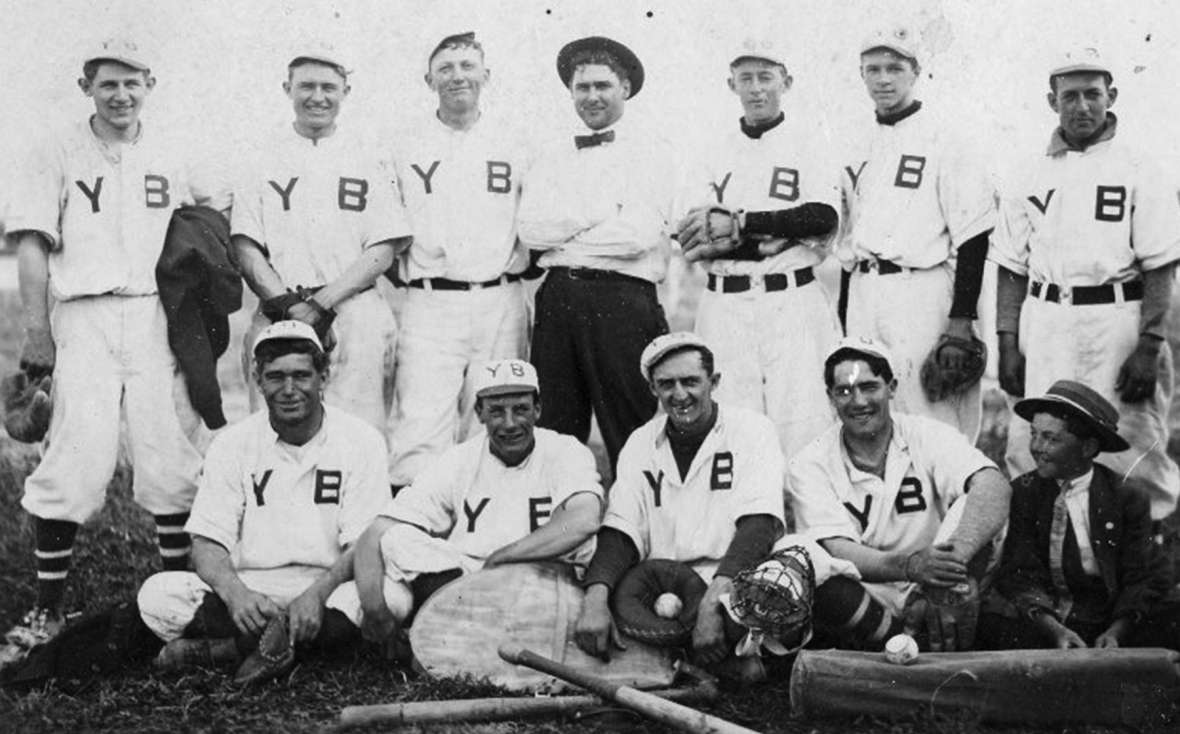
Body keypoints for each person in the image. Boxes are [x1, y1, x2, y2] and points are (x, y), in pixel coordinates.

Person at [0, 39, 229, 669]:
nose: (121, 95)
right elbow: (30, 245)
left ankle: (181, 604)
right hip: (84, 315)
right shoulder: (56, 150)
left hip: (157, 312)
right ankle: (47, 609)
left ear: (150, 84)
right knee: (75, 457)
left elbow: (218, 212)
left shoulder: (174, 149)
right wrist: (37, 331)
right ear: (87, 88)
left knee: (171, 457)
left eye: (132, 83)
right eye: (108, 85)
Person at [135, 321, 388, 685]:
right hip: (256, 589)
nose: (289, 389)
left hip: (330, 585)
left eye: (302, 375)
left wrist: (317, 595)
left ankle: (227, 651)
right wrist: (237, 595)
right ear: (257, 379)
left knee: (391, 597)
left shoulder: (362, 440)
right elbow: (206, 543)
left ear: (324, 376)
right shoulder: (232, 444)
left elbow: (363, 546)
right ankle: (288, 643)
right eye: (275, 376)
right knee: (158, 595)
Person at [992, 47, 1180, 523]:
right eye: (1069, 96)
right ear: (1051, 100)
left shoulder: (1139, 168)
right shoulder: (1030, 172)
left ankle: (1146, 559)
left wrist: (1149, 345)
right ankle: (1045, 559)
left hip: (1116, 317)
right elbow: (1011, 267)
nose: (1081, 107)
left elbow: (1160, 265)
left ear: (1111, 96)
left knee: (1131, 441)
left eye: (1092, 95)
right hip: (1049, 318)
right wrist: (1008, 343)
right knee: (1038, 439)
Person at [517, 35, 684, 473]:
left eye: (602, 86)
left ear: (625, 88)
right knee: (555, 424)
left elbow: (637, 235)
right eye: (582, 87)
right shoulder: (550, 154)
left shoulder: (653, 151)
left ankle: (642, 526)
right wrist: (596, 215)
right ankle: (565, 525)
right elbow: (531, 229)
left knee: (632, 424)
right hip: (557, 300)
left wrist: (566, 236)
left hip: (622, 299)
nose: (592, 96)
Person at [353, 358, 603, 646]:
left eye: (520, 409)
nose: (510, 423)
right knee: (399, 538)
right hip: (472, 578)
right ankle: (470, 625)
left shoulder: (565, 449)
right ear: (479, 412)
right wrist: (374, 610)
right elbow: (379, 531)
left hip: (543, 575)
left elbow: (584, 520)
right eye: (496, 411)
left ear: (538, 409)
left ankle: (458, 627)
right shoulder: (460, 459)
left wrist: (503, 557)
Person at [573, 333, 787, 666]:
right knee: (594, 599)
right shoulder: (640, 442)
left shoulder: (753, 429)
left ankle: (719, 653)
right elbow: (620, 531)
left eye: (690, 382)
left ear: (713, 381)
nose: (679, 394)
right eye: (666, 384)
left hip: (733, 579)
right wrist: (595, 601)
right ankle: (719, 658)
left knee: (789, 577)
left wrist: (712, 605)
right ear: (652, 389)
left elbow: (759, 526)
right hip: (664, 585)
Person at [231, 43, 412, 434]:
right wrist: (292, 307)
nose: (317, 97)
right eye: (306, 86)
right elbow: (245, 245)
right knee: (271, 430)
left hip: (355, 309)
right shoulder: (259, 157)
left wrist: (321, 304)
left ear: (345, 91)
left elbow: (383, 248)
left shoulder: (371, 156)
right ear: (287, 88)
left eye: (328, 87)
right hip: (280, 309)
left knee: (359, 430)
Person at [787, 337, 1011, 651]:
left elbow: (993, 485)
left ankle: (906, 642)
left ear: (891, 387)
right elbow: (838, 549)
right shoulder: (809, 461)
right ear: (830, 397)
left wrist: (944, 571)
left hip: (938, 577)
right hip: (871, 587)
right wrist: (911, 567)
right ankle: (906, 640)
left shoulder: (926, 433)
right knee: (800, 556)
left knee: (975, 503)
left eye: (869, 387)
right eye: (844, 391)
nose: (858, 402)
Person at [677, 39, 841, 460]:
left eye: (766, 76)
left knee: (805, 424)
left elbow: (822, 217)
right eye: (745, 78)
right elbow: (692, 233)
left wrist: (742, 223)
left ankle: (812, 526)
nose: (756, 88)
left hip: (791, 299)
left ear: (786, 81)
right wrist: (779, 230)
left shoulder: (810, 141)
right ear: (730, 83)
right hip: (724, 303)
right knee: (732, 423)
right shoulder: (711, 148)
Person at [387, 32, 531, 490]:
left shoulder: (515, 142)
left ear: (486, 76)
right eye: (446, 68)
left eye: (468, 66)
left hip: (500, 296)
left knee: (494, 416)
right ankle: (414, 538)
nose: (457, 76)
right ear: (428, 79)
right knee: (421, 422)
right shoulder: (404, 145)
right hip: (431, 299)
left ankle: (485, 536)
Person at [839, 25, 995, 441]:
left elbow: (973, 234)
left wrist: (961, 320)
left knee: (930, 413)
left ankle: (951, 504)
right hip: (864, 290)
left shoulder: (946, 138)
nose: (884, 79)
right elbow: (849, 241)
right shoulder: (857, 144)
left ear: (916, 71)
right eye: (873, 69)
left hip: (920, 289)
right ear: (862, 75)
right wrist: (843, 317)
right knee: (870, 413)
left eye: (894, 68)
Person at [979, 380, 1178, 651]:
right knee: (991, 624)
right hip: (1049, 617)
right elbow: (1020, 571)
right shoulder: (1025, 492)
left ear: (1087, 448)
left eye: (1050, 438)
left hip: (1112, 616)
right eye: (1034, 434)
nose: (1036, 447)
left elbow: (1141, 574)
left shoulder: (1126, 497)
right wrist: (1054, 629)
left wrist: (1116, 632)